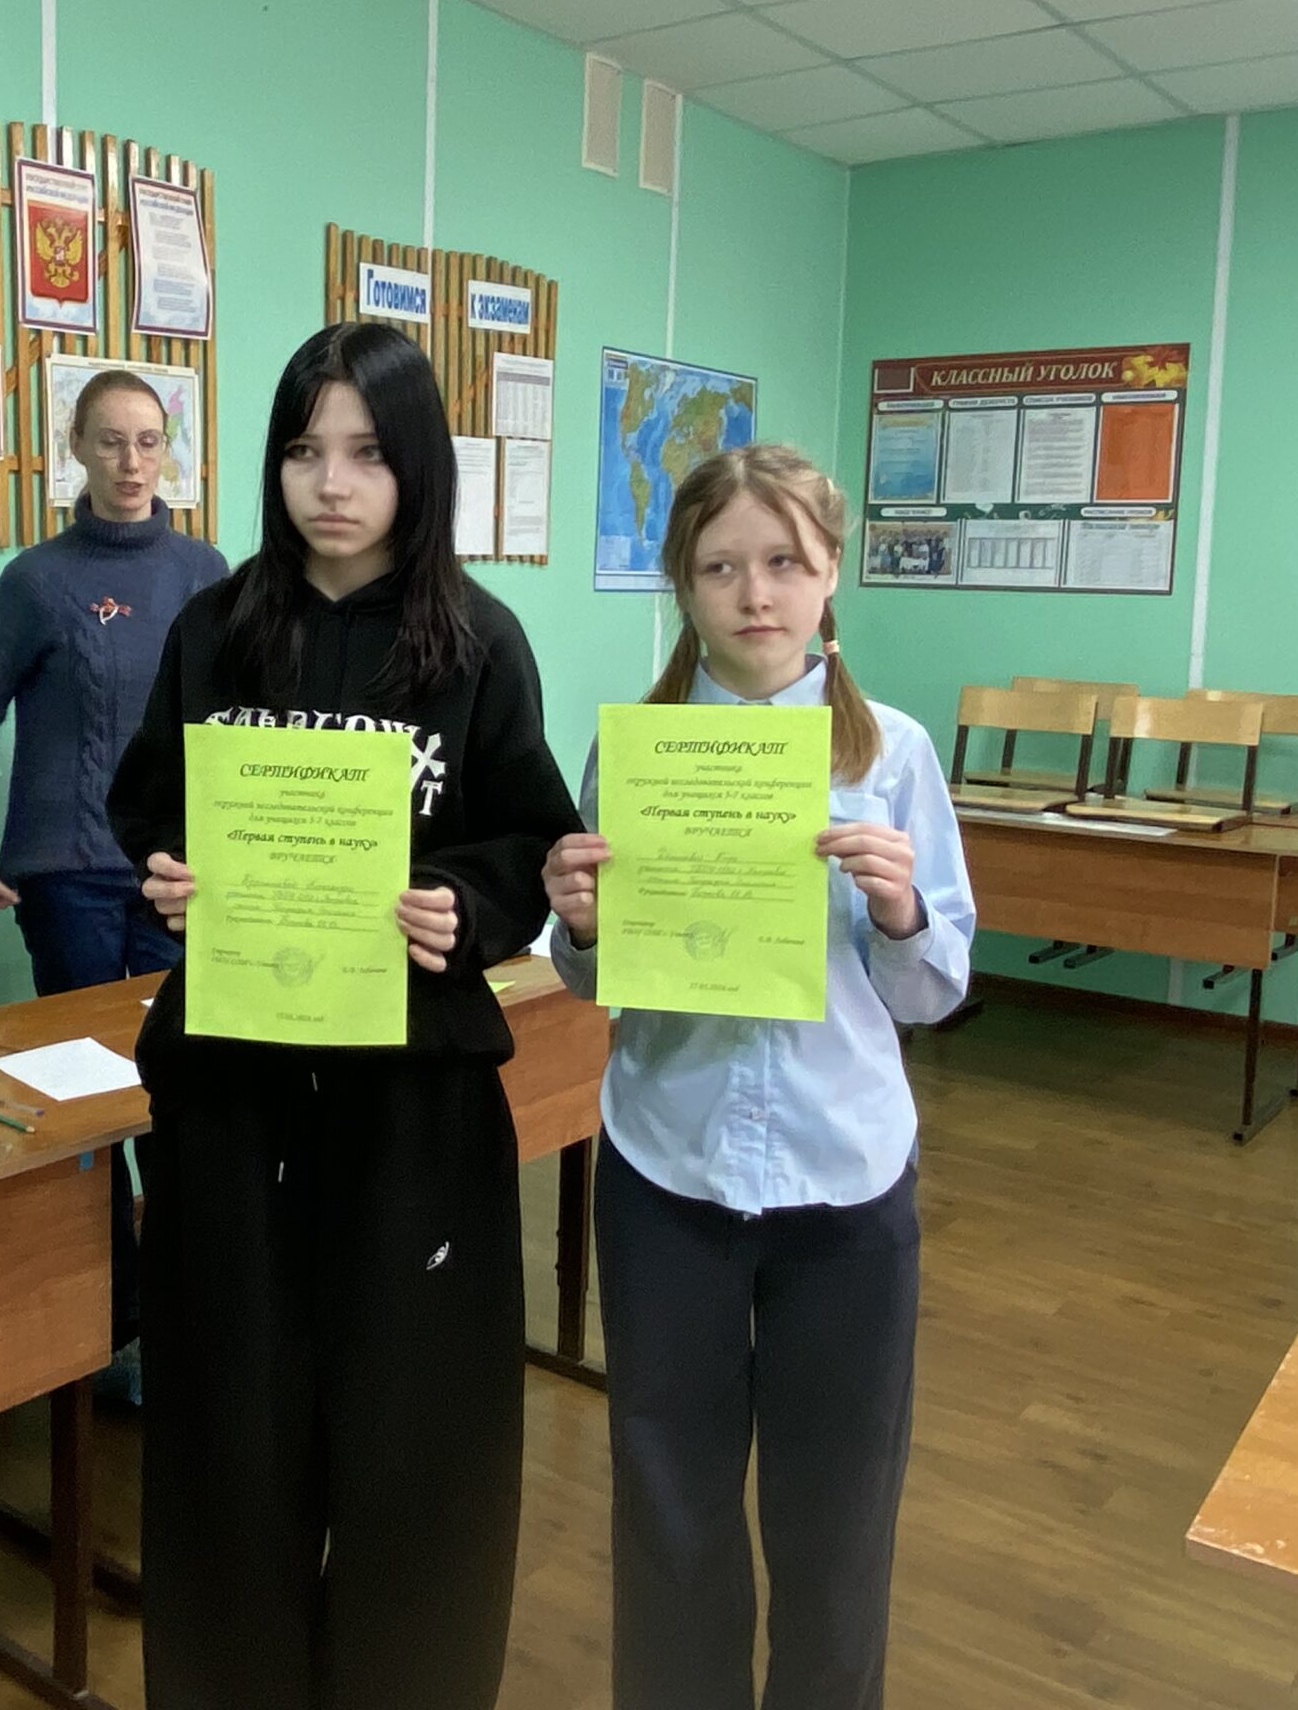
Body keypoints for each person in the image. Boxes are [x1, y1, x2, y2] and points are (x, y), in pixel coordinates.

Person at [107, 321, 580, 1710]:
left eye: (367, 453)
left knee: (414, 1448)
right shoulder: (216, 627)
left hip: (410, 1106)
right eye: (304, 451)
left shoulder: (477, 641)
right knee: (229, 1441)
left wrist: (465, 909)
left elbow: (527, 839)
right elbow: (148, 802)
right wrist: (169, 874)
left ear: (416, 465)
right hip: (234, 1095)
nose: (331, 483)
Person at [540, 442, 975, 1710]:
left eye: (784, 562)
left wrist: (899, 913)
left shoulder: (892, 754)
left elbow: (935, 992)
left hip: (845, 1185)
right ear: (682, 585)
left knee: (837, 1514)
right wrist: (577, 922)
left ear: (831, 572)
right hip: (666, 1173)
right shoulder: (636, 752)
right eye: (720, 567)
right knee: (667, 1504)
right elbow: (591, 980)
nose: (754, 594)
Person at [0, 370, 227, 1395]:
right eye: (110, 441)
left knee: (182, 1092)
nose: (131, 462)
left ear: (167, 451)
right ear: (77, 448)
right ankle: (111, 1329)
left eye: (148, 441)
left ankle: (188, 1312)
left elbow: (236, 719)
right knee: (91, 1108)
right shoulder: (37, 580)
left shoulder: (205, 572)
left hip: (176, 880)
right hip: (67, 878)